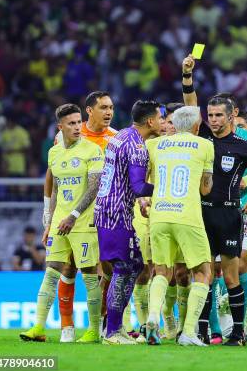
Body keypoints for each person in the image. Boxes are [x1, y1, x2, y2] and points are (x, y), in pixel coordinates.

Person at [20, 103, 104, 343]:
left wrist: (73, 215)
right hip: (60, 222)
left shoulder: (92, 150)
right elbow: (55, 188)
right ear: (60, 127)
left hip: (83, 222)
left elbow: (94, 187)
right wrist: (50, 222)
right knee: (51, 271)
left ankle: (93, 330)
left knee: (89, 273)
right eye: (72, 123)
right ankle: (38, 327)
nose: (78, 127)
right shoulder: (54, 152)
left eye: (79, 122)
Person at [190, 94, 247, 346]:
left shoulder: (242, 146)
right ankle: (202, 331)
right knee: (204, 275)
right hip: (201, 213)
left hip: (228, 215)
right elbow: (190, 104)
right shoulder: (202, 140)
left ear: (231, 116)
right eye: (210, 115)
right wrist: (187, 77)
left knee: (231, 276)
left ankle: (237, 333)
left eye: (218, 115)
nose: (213, 120)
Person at [43, 91, 116, 343]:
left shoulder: (115, 138)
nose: (108, 113)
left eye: (111, 108)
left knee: (107, 268)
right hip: (76, 214)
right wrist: (47, 216)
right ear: (89, 111)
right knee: (68, 265)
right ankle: (67, 326)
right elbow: (52, 179)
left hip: (107, 212)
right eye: (103, 107)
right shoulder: (66, 138)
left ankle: (105, 323)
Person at [145, 106, 215, 346]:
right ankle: (188, 333)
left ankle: (153, 316)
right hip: (187, 216)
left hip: (159, 215)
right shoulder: (205, 145)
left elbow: (144, 178)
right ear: (196, 126)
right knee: (203, 272)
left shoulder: (155, 145)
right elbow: (205, 188)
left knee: (162, 271)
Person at [94, 100, 162, 345]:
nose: (163, 122)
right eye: (161, 118)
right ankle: (112, 331)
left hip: (110, 211)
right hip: (115, 214)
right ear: (150, 121)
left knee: (135, 265)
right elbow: (139, 186)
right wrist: (167, 188)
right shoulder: (137, 147)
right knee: (123, 268)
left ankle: (117, 327)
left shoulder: (121, 135)